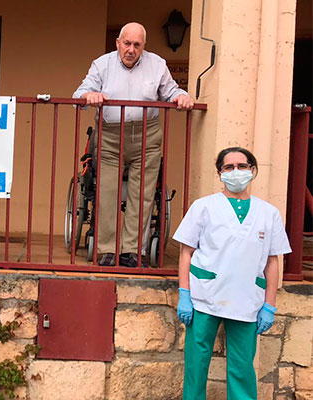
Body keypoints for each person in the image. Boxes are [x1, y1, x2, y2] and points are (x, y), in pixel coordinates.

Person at [72, 22, 195, 267]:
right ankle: (106, 250)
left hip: (146, 135)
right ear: (118, 43)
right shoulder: (102, 64)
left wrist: (180, 96)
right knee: (106, 191)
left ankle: (131, 251)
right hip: (110, 134)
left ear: (143, 46)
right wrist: (89, 96)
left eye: (137, 45)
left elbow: (170, 90)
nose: (131, 49)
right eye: (126, 43)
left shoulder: (157, 64)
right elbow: (80, 94)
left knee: (143, 194)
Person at [174, 147, 291, 400]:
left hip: (247, 299)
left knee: (242, 369)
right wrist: (184, 293)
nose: (235, 172)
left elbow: (273, 261)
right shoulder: (203, 207)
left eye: (242, 166)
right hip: (205, 297)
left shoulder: (268, 213)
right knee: (196, 365)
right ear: (219, 173)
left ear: (252, 170)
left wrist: (270, 305)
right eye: (228, 167)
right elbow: (186, 253)